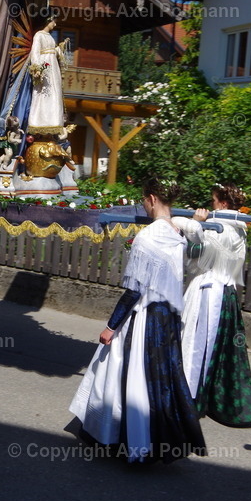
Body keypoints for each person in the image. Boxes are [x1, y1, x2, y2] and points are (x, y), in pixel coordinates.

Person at [69, 176, 206, 463]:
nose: (143, 205)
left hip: (146, 316)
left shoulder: (147, 237)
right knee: (162, 379)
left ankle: (125, 439)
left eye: (144, 199)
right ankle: (161, 438)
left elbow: (134, 290)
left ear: (152, 199)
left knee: (126, 374)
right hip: (168, 316)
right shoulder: (176, 232)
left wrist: (111, 325)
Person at [173, 181, 251, 426]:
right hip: (226, 292)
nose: (211, 205)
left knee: (196, 343)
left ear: (222, 203)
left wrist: (195, 227)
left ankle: (189, 397)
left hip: (209, 293)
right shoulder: (239, 227)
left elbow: (199, 260)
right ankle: (213, 398)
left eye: (213, 201)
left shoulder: (223, 228)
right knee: (219, 348)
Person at [26, 18, 69, 137]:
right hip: (45, 66)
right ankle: (39, 121)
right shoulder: (39, 36)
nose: (55, 24)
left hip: (53, 69)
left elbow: (52, 52)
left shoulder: (50, 36)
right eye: (53, 22)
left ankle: (53, 121)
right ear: (47, 21)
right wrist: (37, 68)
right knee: (43, 94)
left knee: (54, 94)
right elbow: (35, 53)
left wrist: (60, 48)